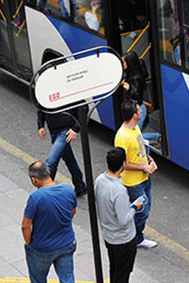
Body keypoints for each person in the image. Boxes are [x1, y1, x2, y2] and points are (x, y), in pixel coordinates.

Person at [21, 161, 78, 283]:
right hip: (66, 244)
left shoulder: (35, 197)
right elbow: (72, 212)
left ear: (34, 179)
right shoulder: (68, 189)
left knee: (38, 279)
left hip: (41, 248)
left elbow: (26, 225)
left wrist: (30, 243)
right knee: (67, 279)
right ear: (49, 173)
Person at [95, 147, 144, 283]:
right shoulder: (119, 190)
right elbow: (124, 220)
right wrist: (134, 207)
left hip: (109, 236)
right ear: (123, 164)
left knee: (114, 268)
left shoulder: (100, 180)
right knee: (122, 274)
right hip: (123, 240)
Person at [114, 101, 159, 249]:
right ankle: (134, 238)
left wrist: (151, 160)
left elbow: (142, 148)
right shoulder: (122, 137)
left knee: (145, 208)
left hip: (144, 177)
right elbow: (123, 163)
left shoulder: (135, 129)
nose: (142, 111)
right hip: (133, 183)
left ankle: (133, 236)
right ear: (134, 115)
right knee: (141, 212)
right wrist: (144, 167)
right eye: (139, 110)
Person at [37, 106, 88, 197]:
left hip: (65, 132)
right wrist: (40, 125)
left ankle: (45, 193)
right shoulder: (45, 92)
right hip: (53, 131)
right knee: (69, 159)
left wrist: (76, 128)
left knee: (51, 162)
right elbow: (42, 106)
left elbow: (83, 107)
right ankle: (80, 186)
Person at [121, 51, 161, 148]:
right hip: (138, 108)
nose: (122, 64)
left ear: (130, 64)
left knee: (135, 136)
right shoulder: (137, 71)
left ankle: (158, 137)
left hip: (138, 109)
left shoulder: (135, 78)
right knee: (134, 134)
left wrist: (129, 88)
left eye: (124, 62)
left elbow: (137, 96)